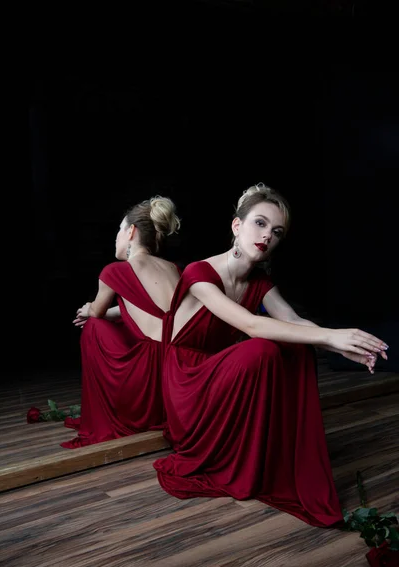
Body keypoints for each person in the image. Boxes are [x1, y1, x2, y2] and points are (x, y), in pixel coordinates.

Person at [153, 183, 388, 527]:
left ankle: (280, 455)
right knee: (261, 347)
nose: (268, 236)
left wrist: (340, 346)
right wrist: (333, 336)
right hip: (187, 381)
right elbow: (252, 325)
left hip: (218, 374)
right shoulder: (199, 273)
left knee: (295, 344)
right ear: (237, 226)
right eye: (259, 224)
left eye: (276, 231)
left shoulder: (260, 282)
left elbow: (294, 321)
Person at [61, 195, 181, 449]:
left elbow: (95, 313)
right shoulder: (172, 268)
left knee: (93, 326)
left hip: (147, 375)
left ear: (131, 232)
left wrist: (89, 309)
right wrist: (105, 312)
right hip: (175, 366)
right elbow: (153, 310)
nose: (115, 236)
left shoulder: (115, 271)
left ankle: (109, 413)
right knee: (120, 323)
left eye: (119, 229)